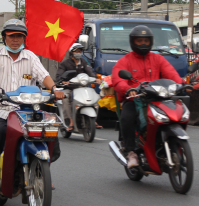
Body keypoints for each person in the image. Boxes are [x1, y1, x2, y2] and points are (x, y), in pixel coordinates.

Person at [0, 19, 64, 188]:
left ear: (24, 38)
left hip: (29, 109)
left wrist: (54, 88)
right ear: (4, 38)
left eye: (19, 36)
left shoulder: (31, 57)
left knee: (51, 131)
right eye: (12, 36)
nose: (15, 39)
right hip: (3, 108)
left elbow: (44, 76)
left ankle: (43, 171)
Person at [112, 25, 184, 168]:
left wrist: (183, 85)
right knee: (127, 117)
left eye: (146, 41)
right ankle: (131, 151)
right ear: (133, 42)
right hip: (134, 99)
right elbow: (117, 79)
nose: (143, 44)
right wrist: (128, 90)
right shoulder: (125, 60)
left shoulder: (158, 59)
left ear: (150, 41)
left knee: (175, 113)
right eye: (139, 41)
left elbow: (172, 74)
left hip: (157, 99)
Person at [55, 43, 102, 131]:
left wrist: (96, 79)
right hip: (69, 88)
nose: (78, 53)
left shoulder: (83, 62)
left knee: (95, 96)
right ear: (71, 52)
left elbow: (90, 71)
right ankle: (70, 121)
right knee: (65, 98)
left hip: (82, 87)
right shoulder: (65, 63)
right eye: (76, 51)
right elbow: (59, 76)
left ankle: (94, 120)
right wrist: (62, 81)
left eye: (80, 51)